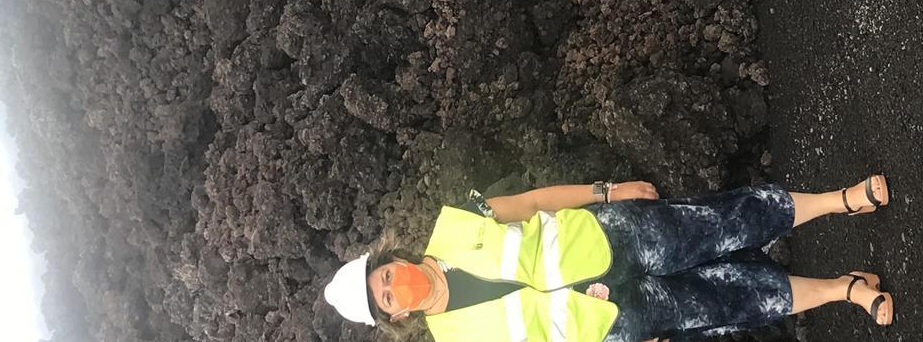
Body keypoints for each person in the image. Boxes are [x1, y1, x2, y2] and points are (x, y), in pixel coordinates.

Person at [324, 175, 892, 341]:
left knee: (724, 221)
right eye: (386, 301)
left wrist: (607, 192)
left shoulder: (456, 221)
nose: (394, 289)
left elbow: (532, 202)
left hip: (613, 237)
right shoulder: (455, 341)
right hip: (615, 323)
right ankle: (845, 289)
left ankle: (838, 202)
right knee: (731, 300)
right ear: (396, 317)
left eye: (385, 278)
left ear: (391, 259)